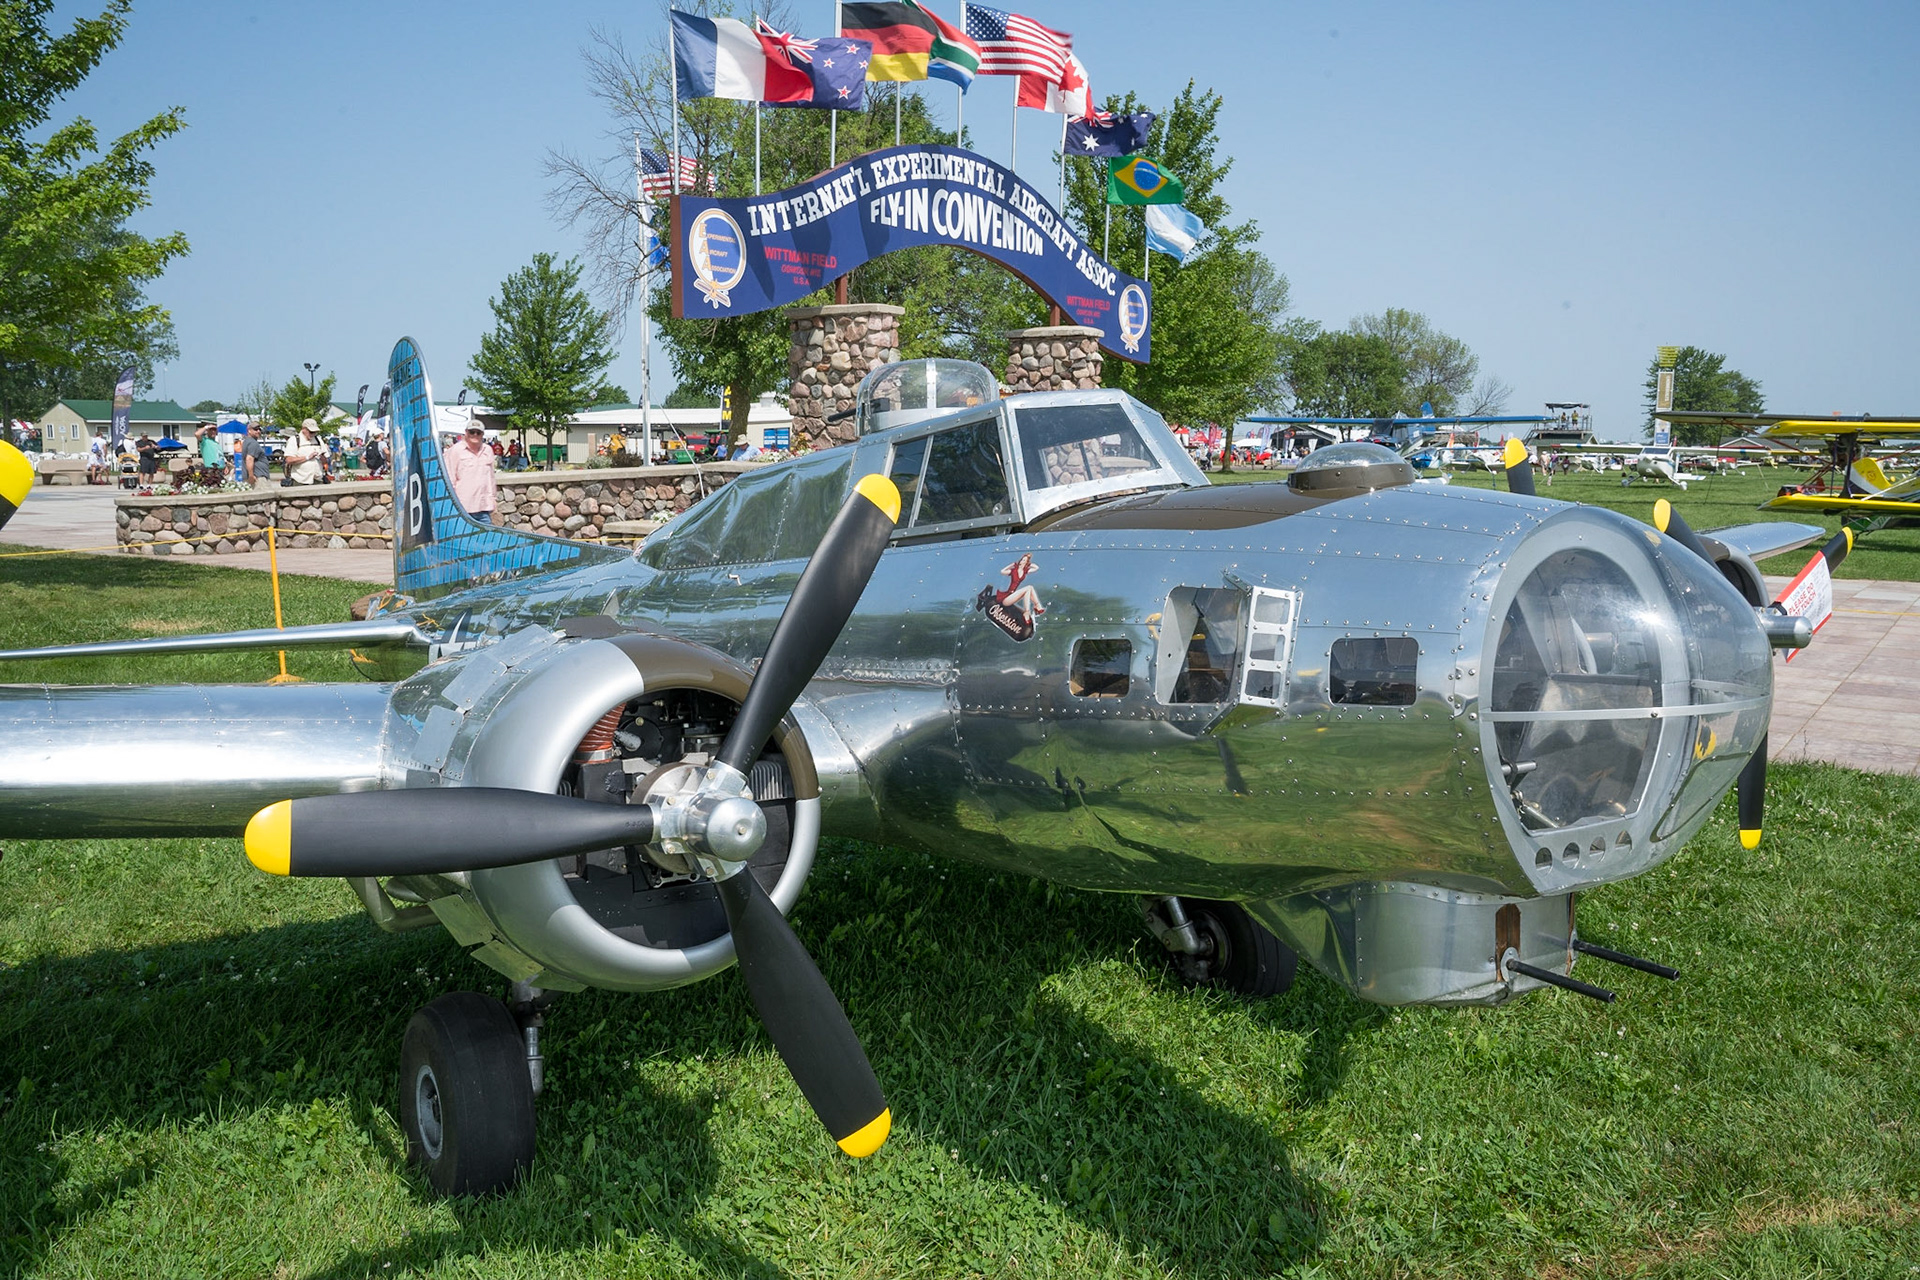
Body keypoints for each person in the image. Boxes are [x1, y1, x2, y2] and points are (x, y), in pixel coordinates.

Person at [448, 423, 498, 523]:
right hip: (462, 508)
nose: (475, 435)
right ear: (466, 432)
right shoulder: (455, 451)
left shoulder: (488, 450)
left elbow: (491, 478)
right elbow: (450, 479)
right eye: (472, 432)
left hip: (483, 508)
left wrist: (493, 499)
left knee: (485, 538)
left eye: (478, 432)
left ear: (482, 434)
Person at [284, 419, 326, 486]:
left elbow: (325, 461)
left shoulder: (318, 440)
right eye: (311, 432)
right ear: (304, 429)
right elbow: (289, 460)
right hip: (300, 481)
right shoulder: (294, 440)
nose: (313, 434)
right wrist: (307, 457)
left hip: (317, 480)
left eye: (315, 432)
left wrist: (321, 457)